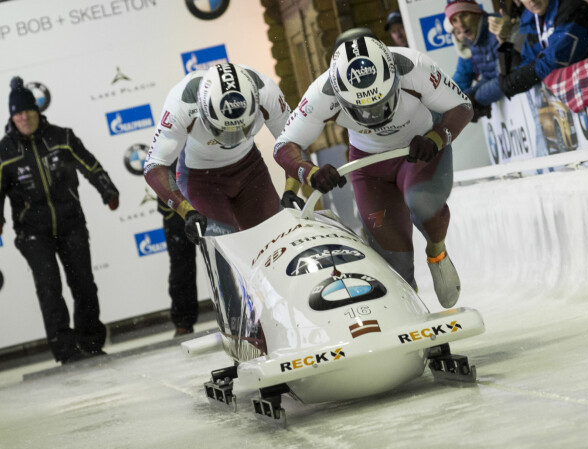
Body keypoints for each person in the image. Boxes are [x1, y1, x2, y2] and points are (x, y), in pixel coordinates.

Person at [274, 29, 474, 309]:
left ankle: (436, 251)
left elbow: (462, 107)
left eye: (381, 102)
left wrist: (436, 137)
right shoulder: (322, 92)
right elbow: (284, 145)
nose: (374, 116)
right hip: (370, 166)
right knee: (396, 259)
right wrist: (311, 172)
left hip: (418, 150)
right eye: (362, 108)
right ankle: (412, 311)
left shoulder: (414, 66)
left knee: (423, 205)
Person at [0, 77, 120, 364]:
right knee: (49, 288)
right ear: (12, 117)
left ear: (37, 111)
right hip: (32, 232)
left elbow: (90, 164)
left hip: (71, 224)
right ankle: (66, 351)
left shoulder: (61, 136)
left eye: (28, 111)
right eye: (18, 114)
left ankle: (91, 343)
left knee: (84, 285)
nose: (24, 118)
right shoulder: (4, 151)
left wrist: (108, 190)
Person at [144, 63, 292, 246]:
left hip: (250, 171)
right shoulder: (182, 103)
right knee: (227, 250)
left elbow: (293, 140)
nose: (231, 139)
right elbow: (154, 165)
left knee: (276, 240)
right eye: (224, 131)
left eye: (240, 129)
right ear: (204, 112)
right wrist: (187, 211)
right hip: (201, 181)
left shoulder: (266, 91)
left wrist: (291, 189)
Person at [497, 0, 588, 99]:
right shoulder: (531, 21)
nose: (531, 0)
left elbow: (553, 61)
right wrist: (505, 42)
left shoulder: (572, 8)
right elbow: (526, 62)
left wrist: (511, 82)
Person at [445, 0, 504, 120]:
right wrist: (467, 97)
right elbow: (488, 78)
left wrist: (475, 100)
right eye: (454, 20)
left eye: (464, 15)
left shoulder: (496, 29)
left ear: (476, 13)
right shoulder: (473, 39)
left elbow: (504, 80)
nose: (460, 24)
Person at [157, 189, 198, 337]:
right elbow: (154, 169)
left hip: (206, 195)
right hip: (174, 206)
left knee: (223, 259)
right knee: (180, 267)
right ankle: (183, 322)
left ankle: (237, 312)